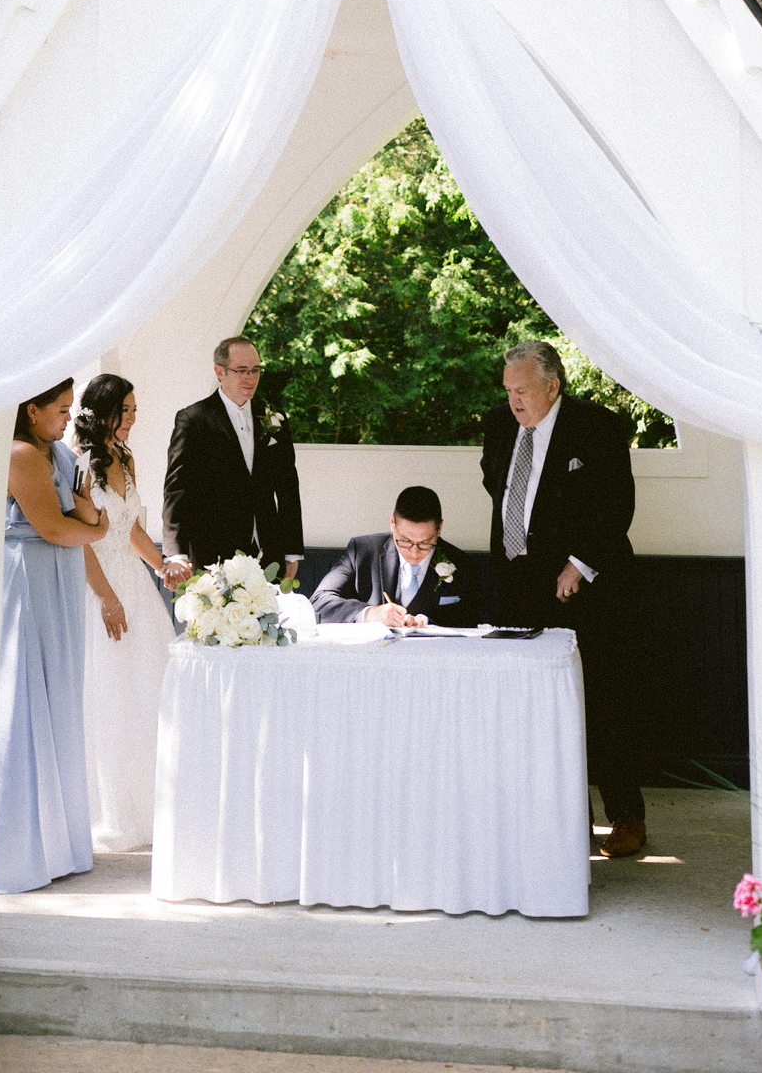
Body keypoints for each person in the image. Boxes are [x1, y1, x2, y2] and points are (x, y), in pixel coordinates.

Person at [480, 339, 646, 858]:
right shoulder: (499, 424)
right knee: (531, 705)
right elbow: (500, 483)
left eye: (522, 390)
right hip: (518, 581)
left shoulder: (597, 427)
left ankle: (626, 815)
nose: (513, 401)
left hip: (583, 584)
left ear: (552, 386)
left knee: (600, 702)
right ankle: (555, 818)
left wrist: (579, 562)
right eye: (508, 390)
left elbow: (617, 504)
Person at [0, 377, 107, 894]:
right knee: (25, 696)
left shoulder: (59, 452)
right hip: (27, 578)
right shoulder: (19, 452)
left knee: (59, 696)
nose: (68, 418)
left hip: (58, 578)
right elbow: (56, 528)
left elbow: (86, 512)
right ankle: (19, 849)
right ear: (32, 409)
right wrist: (95, 530)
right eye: (60, 409)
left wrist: (89, 524)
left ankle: (58, 843)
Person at [73, 374, 188, 852]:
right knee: (111, 696)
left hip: (135, 587)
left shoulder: (126, 457)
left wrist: (162, 564)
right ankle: (111, 812)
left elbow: (131, 526)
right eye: (127, 411)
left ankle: (153, 808)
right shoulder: (79, 466)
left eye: (136, 410)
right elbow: (81, 542)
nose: (133, 420)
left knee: (149, 691)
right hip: (99, 588)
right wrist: (107, 598)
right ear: (104, 411)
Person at [162, 336, 303, 580]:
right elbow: (177, 490)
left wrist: (292, 551)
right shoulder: (193, 419)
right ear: (220, 372)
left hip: (268, 554)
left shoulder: (274, 418)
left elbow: (288, 487)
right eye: (242, 370)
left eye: (256, 370)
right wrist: (176, 553)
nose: (251, 378)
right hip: (213, 554)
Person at [310, 484, 482, 629]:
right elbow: (319, 602)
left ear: (439, 529)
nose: (414, 553)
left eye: (425, 543)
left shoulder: (464, 566)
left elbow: (475, 622)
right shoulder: (362, 551)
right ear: (392, 523)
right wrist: (370, 614)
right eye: (405, 541)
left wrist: (426, 622)